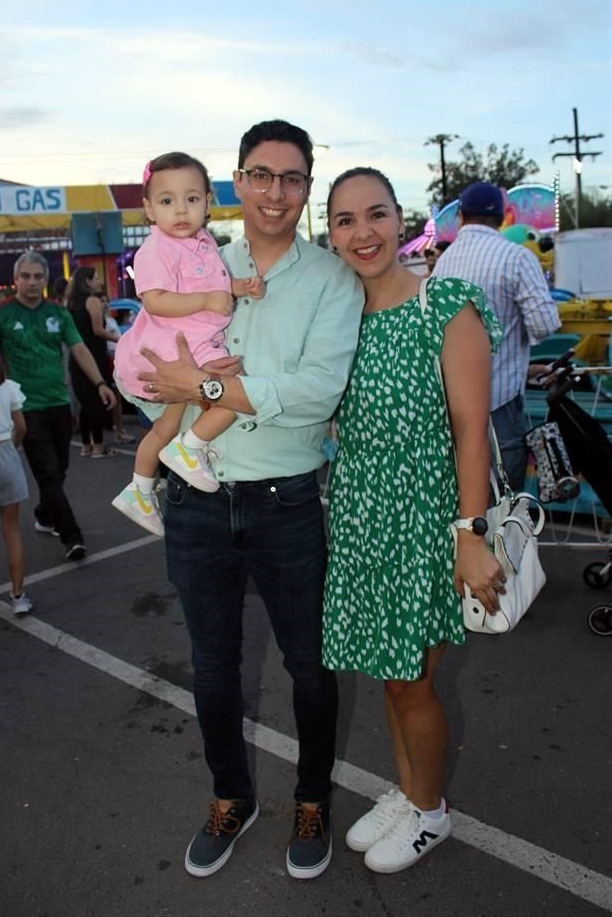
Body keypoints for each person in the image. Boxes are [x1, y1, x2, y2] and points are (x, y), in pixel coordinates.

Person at [137, 120, 364, 879]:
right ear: (237, 180)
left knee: (308, 664)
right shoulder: (193, 259)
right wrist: (159, 394)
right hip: (197, 500)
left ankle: (311, 798)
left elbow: (313, 393)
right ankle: (232, 795)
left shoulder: (332, 280)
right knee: (212, 667)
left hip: (287, 499)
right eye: (261, 175)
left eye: (292, 178)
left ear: (307, 187)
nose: (275, 191)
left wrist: (203, 386)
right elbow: (151, 370)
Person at [322, 167, 504, 874]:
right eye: (344, 220)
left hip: (428, 517)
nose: (362, 232)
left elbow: (469, 429)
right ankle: (409, 790)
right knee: (390, 672)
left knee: (414, 680)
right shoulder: (340, 317)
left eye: (375, 214)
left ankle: (430, 812)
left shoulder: (444, 301)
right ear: (330, 234)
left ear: (402, 220)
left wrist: (470, 534)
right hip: (363, 512)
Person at [112, 151, 265, 536]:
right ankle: (190, 447)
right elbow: (155, 300)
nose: (180, 210)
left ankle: (140, 491)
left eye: (191, 199)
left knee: (165, 425)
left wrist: (239, 287)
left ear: (207, 203)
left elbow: (211, 285)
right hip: (178, 345)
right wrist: (206, 301)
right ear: (149, 209)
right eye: (167, 201)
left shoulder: (202, 242)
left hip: (192, 343)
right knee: (237, 389)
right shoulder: (156, 249)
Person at [0, 251, 116, 561]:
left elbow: (80, 349)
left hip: (59, 403)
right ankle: (72, 537)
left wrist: (100, 383)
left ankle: (45, 514)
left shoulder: (58, 313)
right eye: (26, 276)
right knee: (47, 473)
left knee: (59, 470)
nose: (32, 282)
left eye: (38, 276)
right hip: (24, 408)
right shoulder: (1, 314)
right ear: (16, 279)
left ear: (45, 280)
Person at [433, 181, 561, 490]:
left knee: (464, 496)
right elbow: (545, 324)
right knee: (504, 500)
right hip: (500, 403)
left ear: (461, 216)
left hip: (451, 404)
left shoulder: (443, 263)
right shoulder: (516, 257)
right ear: (504, 217)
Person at [0, 334, 31, 616]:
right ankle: (18, 595)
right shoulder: (9, 388)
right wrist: (11, 447)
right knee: (11, 529)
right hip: (6, 453)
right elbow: (21, 427)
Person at [66, 267, 120, 458]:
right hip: (94, 355)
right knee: (98, 399)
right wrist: (119, 339)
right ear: (87, 281)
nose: (99, 281)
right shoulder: (93, 300)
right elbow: (98, 330)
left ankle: (86, 445)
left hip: (76, 356)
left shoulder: (71, 303)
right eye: (96, 277)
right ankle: (98, 445)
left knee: (84, 403)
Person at [100, 295, 135, 445]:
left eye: (106, 301)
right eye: (102, 301)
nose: (105, 304)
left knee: (118, 398)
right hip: (110, 360)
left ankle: (119, 430)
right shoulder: (101, 323)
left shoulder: (111, 320)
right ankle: (117, 431)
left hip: (118, 358)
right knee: (115, 397)